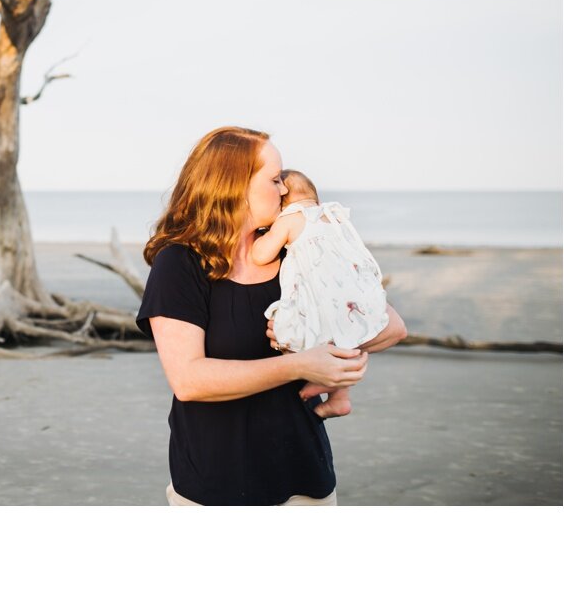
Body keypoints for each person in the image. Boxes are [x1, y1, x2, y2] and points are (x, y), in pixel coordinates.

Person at [138, 127, 407, 505]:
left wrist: (327, 351)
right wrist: (301, 364)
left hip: (305, 481)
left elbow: (391, 325)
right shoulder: (180, 263)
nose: (285, 190)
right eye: (276, 179)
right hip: (214, 485)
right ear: (234, 185)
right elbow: (189, 380)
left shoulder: (294, 255)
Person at [248, 169, 388, 419]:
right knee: (343, 336)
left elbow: (260, 255)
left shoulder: (290, 218)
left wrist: (260, 235)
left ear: (282, 201)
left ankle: (318, 378)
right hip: (350, 291)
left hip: (317, 294)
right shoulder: (331, 217)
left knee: (291, 331)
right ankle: (340, 396)